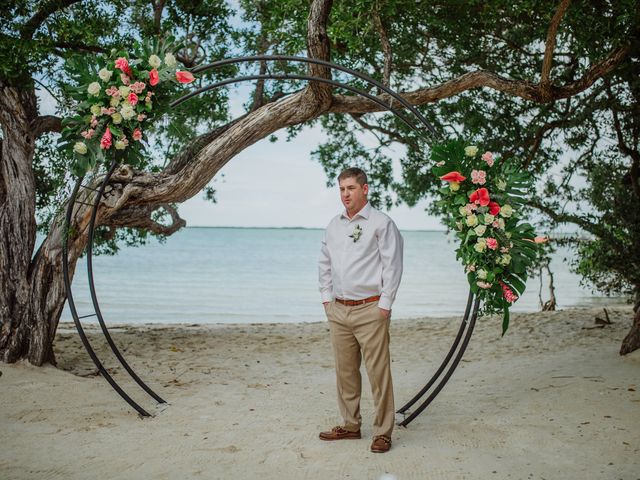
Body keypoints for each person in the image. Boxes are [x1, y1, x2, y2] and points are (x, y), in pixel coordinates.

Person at [318, 167, 404, 453]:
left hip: (370, 310)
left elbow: (393, 265)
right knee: (345, 373)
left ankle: (383, 432)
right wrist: (326, 300)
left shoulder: (382, 223)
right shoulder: (333, 225)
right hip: (339, 311)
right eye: (342, 189)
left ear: (365, 189)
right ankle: (350, 425)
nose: (345, 194)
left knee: (378, 374)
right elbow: (324, 263)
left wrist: (385, 305)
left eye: (351, 188)